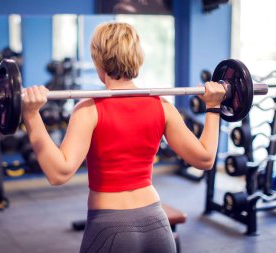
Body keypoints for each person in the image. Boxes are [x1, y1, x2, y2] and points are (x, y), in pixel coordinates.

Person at [22, 22, 225, 253]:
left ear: (98, 61)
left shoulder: (88, 110)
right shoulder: (163, 106)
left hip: (109, 228)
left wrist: (31, 116)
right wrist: (213, 107)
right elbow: (205, 159)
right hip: (157, 224)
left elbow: (58, 173)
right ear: (137, 58)